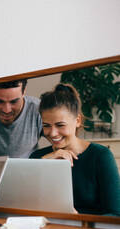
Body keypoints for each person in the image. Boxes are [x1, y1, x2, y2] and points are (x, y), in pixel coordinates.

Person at [30, 83, 120, 216]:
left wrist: (78, 220)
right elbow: (25, 206)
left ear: (77, 120)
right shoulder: (37, 157)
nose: (53, 133)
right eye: (46, 125)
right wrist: (43, 163)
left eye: (60, 125)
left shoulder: (100, 156)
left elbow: (116, 214)